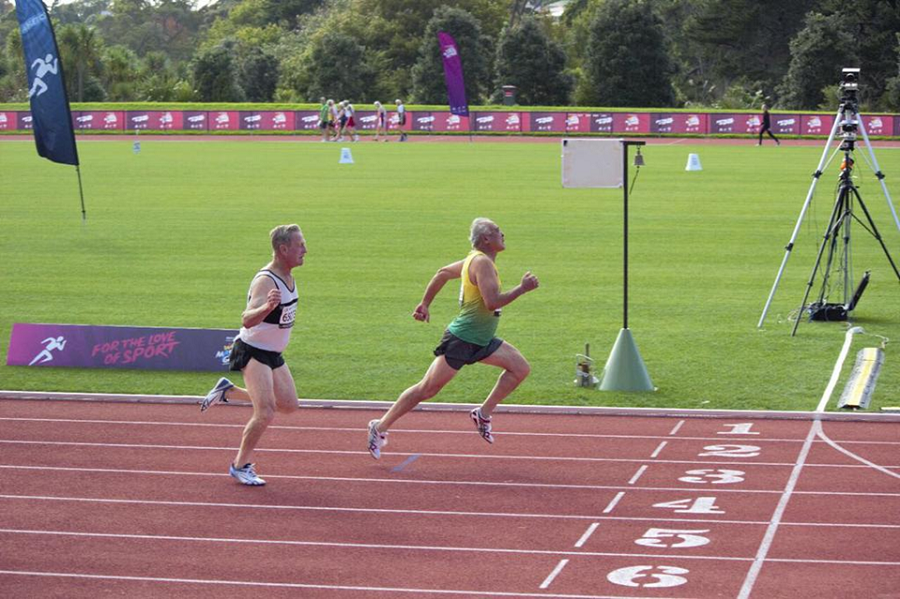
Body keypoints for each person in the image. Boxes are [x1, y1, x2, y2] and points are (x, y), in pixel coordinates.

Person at [366, 218, 539, 459]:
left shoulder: (475, 259)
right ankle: (379, 427)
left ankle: (483, 414)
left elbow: (443, 273)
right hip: (463, 339)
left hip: (483, 339)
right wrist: (522, 289)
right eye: (498, 231)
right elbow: (492, 303)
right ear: (486, 239)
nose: (503, 234)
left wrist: (425, 303)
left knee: (519, 368)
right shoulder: (481, 263)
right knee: (426, 389)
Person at [200, 224, 308, 486]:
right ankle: (240, 465)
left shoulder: (289, 276)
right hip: (252, 350)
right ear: (283, 249)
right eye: (300, 245)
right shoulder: (266, 280)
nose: (305, 249)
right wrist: (267, 306)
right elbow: (247, 319)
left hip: (272, 353)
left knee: (289, 405)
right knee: (266, 411)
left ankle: (228, 391)